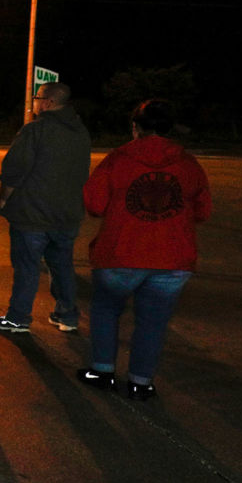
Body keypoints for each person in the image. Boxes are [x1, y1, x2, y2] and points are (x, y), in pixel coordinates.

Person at [76, 99, 211, 400]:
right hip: (173, 257)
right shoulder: (188, 163)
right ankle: (141, 381)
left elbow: (95, 204)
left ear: (135, 127)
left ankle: (102, 370)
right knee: (153, 322)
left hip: (121, 252)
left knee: (107, 310)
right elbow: (202, 211)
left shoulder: (118, 159)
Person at [0, 82, 91, 334]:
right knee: (62, 265)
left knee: (27, 266)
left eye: (36, 97)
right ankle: (67, 315)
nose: (33, 102)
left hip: (33, 214)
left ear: (48, 102)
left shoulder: (36, 130)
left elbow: (14, 170)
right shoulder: (80, 131)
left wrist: (3, 200)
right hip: (67, 214)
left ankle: (18, 317)